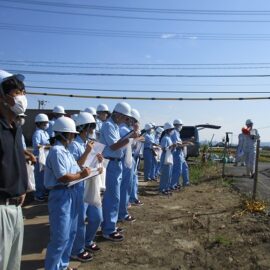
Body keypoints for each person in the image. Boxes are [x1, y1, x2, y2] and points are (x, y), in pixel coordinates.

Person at [44, 116, 91, 270]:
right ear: (64, 134)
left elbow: (76, 167)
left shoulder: (65, 151)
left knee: (70, 233)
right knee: (60, 237)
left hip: (69, 193)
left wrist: (87, 170)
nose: (73, 136)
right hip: (60, 195)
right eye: (71, 134)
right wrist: (82, 175)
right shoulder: (57, 151)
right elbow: (63, 177)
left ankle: (62, 266)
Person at [0, 69, 28, 270]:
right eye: (16, 92)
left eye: (22, 92)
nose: (22, 97)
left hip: (17, 207)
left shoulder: (15, 127)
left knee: (12, 264)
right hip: (1, 208)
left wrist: (22, 188)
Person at [100, 102, 139, 241]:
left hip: (116, 163)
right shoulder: (108, 125)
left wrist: (130, 137)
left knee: (114, 196)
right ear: (117, 114)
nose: (125, 120)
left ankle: (110, 224)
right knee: (113, 196)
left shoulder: (114, 126)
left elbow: (119, 142)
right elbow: (115, 145)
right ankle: (108, 229)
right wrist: (130, 138)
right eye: (125, 117)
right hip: (111, 162)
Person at [69, 112, 103, 262]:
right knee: (80, 220)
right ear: (82, 127)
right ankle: (77, 249)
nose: (92, 129)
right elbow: (74, 167)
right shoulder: (73, 145)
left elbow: (90, 162)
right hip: (78, 186)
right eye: (90, 126)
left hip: (90, 184)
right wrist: (88, 152)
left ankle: (88, 241)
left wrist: (98, 160)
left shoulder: (87, 143)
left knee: (97, 217)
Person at [32, 113, 50, 201]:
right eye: (44, 123)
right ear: (38, 123)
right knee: (39, 176)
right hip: (39, 157)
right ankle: (38, 194)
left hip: (45, 157)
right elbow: (37, 145)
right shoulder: (37, 133)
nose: (46, 124)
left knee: (44, 175)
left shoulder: (45, 132)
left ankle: (44, 191)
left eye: (46, 122)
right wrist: (47, 146)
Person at [129, 109, 144, 206]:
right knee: (128, 182)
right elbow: (128, 144)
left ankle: (132, 198)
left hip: (133, 156)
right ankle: (129, 200)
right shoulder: (125, 130)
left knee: (133, 179)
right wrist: (137, 138)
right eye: (135, 121)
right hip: (127, 158)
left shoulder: (130, 130)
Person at [159, 122, 175, 195]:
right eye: (171, 129)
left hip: (169, 156)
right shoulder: (165, 138)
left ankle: (167, 188)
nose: (172, 131)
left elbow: (170, 148)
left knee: (169, 174)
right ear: (168, 130)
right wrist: (172, 146)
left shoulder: (169, 138)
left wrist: (174, 146)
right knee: (165, 174)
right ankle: (162, 189)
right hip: (165, 157)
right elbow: (164, 148)